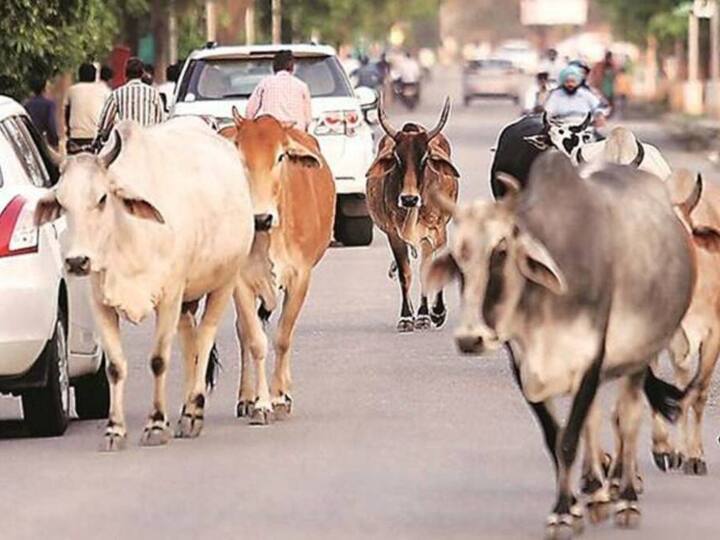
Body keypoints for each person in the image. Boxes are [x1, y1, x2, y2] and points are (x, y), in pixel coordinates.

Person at [95, 57, 166, 146]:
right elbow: (160, 123)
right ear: (142, 74)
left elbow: (104, 124)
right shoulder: (154, 93)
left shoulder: (117, 94)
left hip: (125, 145)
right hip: (148, 144)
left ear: (125, 74)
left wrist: (100, 137)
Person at [245, 50, 312, 131]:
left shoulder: (265, 83)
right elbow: (308, 119)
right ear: (292, 67)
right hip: (296, 131)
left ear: (274, 66)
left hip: (271, 132)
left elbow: (250, 112)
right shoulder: (302, 86)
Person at [64, 63, 111, 154]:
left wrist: (69, 133)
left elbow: (67, 113)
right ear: (94, 76)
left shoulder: (72, 90)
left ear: (79, 75)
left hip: (76, 137)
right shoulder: (104, 91)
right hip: (96, 138)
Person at [23, 76, 59, 149]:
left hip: (28, 139)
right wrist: (55, 142)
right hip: (41, 140)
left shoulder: (27, 104)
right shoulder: (49, 104)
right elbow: (51, 124)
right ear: (44, 88)